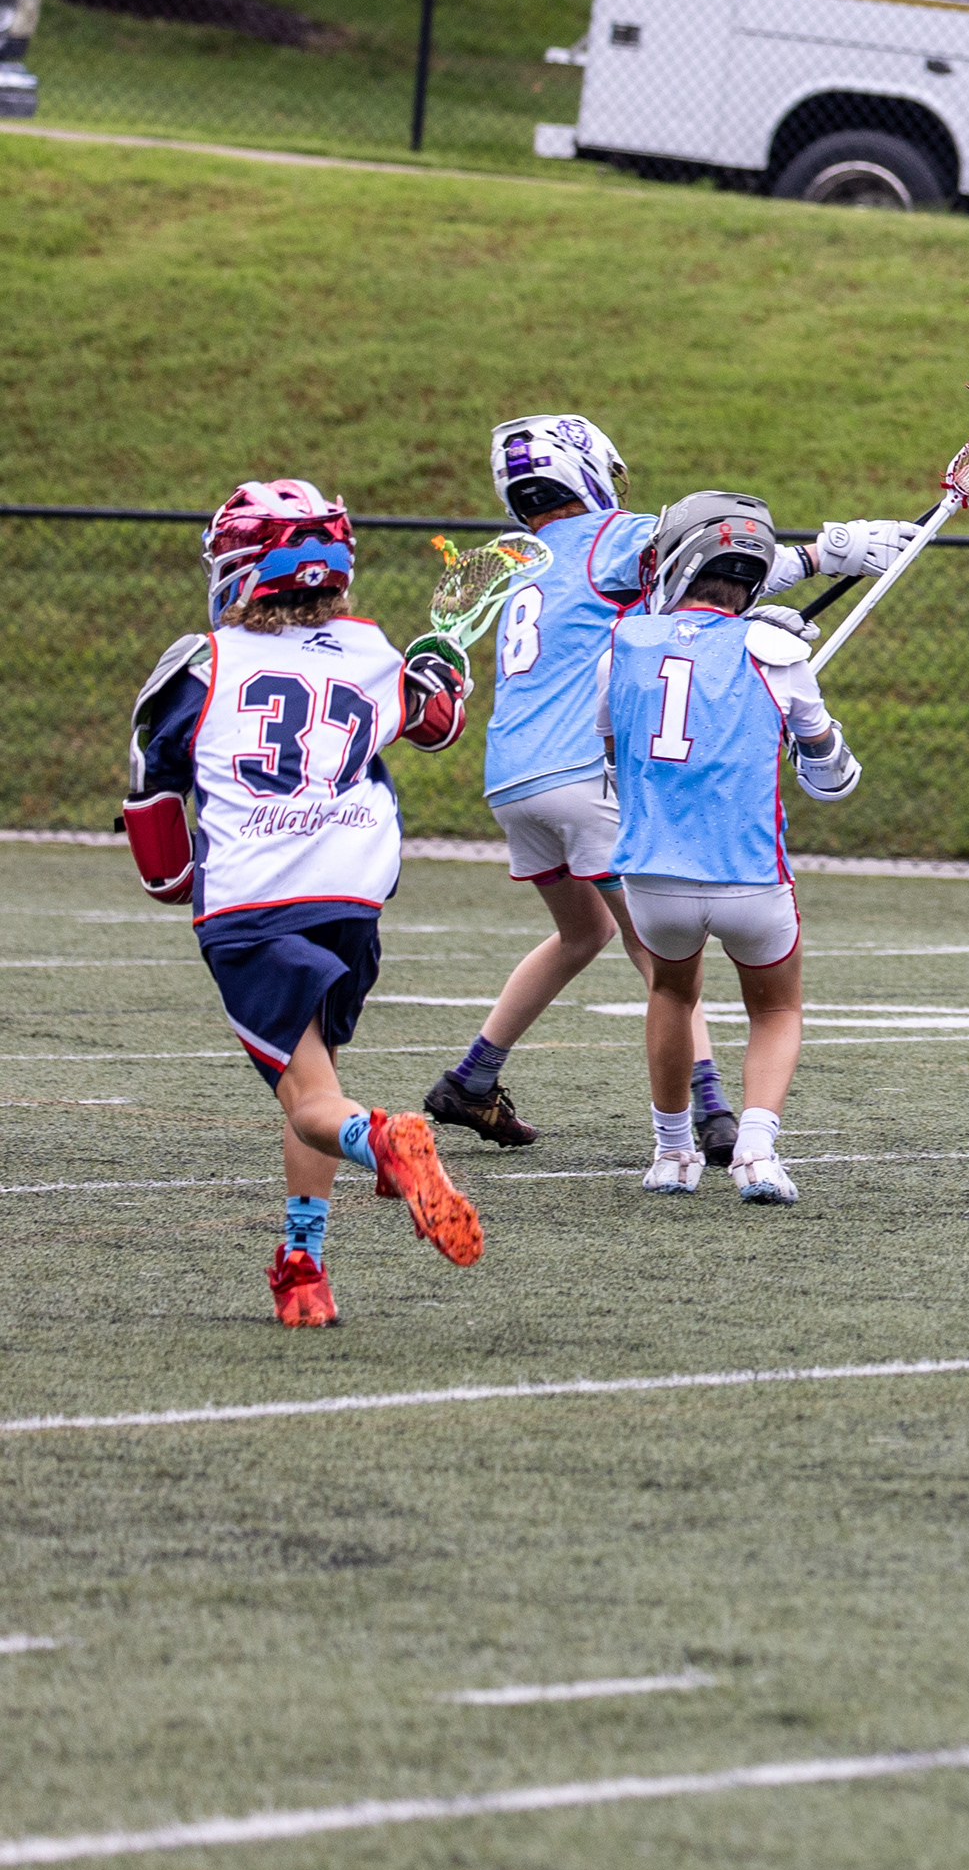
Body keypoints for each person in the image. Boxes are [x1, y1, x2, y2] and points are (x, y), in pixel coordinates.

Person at [424, 415, 912, 1165]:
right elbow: (708, 555)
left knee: (585, 933)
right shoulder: (609, 535)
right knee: (666, 964)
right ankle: (713, 1111)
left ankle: (472, 1077)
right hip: (583, 767)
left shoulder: (522, 558)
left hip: (513, 777)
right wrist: (828, 553)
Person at [121, 481, 485, 1325]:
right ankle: (303, 1265)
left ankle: (383, 1142)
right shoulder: (369, 648)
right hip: (353, 892)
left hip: (255, 898)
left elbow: (153, 794)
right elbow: (438, 723)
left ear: (240, 568)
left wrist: (172, 879)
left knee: (320, 1103)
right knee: (314, 1082)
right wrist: (441, 671)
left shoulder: (205, 660)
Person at [603, 493, 864, 1205]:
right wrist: (807, 730)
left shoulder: (623, 643)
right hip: (748, 875)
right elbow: (832, 781)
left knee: (671, 992)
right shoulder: (778, 655)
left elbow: (616, 756)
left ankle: (671, 1152)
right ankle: (755, 1151)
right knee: (775, 1011)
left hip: (652, 873)